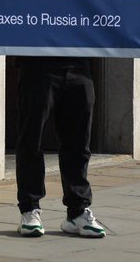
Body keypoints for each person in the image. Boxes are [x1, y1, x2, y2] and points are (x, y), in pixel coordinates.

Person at [13, 56, 106, 239]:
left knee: (79, 142)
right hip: (37, 62)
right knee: (31, 140)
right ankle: (29, 209)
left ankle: (77, 211)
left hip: (78, 63)